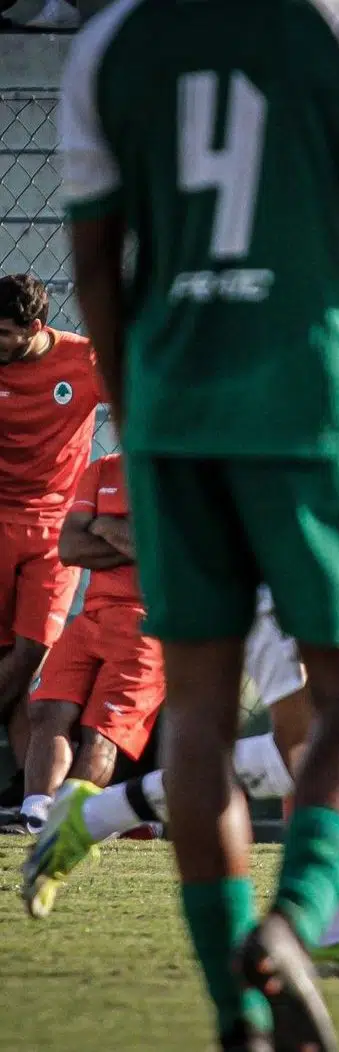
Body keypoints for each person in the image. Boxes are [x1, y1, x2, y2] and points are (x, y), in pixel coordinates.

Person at [25, 30, 339, 987]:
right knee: (317, 735)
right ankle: (108, 817)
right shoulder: (299, 198)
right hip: (280, 458)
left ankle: (336, 924)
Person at [3, 452, 164, 836]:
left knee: (102, 733)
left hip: (150, 625)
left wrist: (104, 526)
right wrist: (127, 534)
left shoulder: (186, 469)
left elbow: (162, 550)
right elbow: (70, 548)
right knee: (47, 711)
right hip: (91, 618)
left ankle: (70, 823)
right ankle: (36, 815)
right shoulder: (103, 468)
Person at [0, 273, 102, 804]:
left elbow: (141, 405)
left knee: (30, 655)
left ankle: (30, 794)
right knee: (13, 664)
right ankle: (29, 798)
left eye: (2, 333)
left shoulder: (84, 362)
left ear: (35, 329)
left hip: (54, 528)